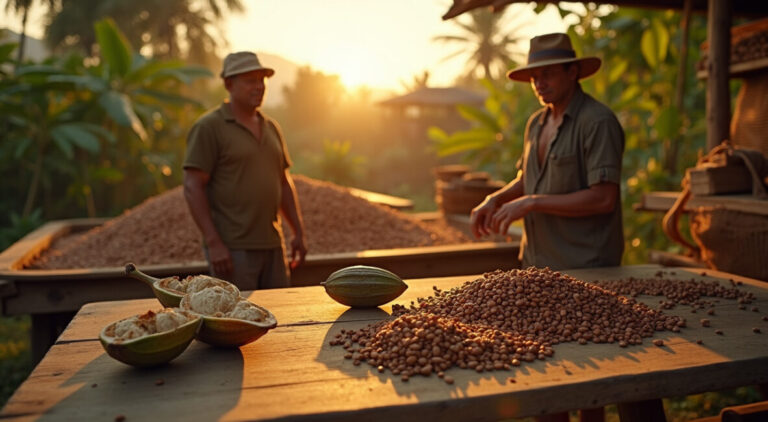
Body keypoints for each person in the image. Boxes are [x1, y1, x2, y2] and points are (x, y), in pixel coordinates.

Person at [470, 33, 625, 422]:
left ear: (574, 71)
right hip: (538, 268)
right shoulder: (536, 123)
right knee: (544, 375)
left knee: (592, 378)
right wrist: (496, 199)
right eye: (534, 75)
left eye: (548, 73)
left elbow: (603, 198)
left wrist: (533, 202)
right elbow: (530, 179)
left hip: (587, 268)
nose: (539, 82)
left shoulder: (597, 122)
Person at [183, 51, 307, 290]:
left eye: (262, 80)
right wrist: (214, 243)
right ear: (229, 84)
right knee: (237, 321)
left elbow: (282, 182)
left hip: (272, 244)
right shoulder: (210, 127)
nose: (259, 87)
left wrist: (298, 232)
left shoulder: (271, 128)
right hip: (233, 249)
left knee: (279, 314)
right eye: (250, 80)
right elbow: (192, 186)